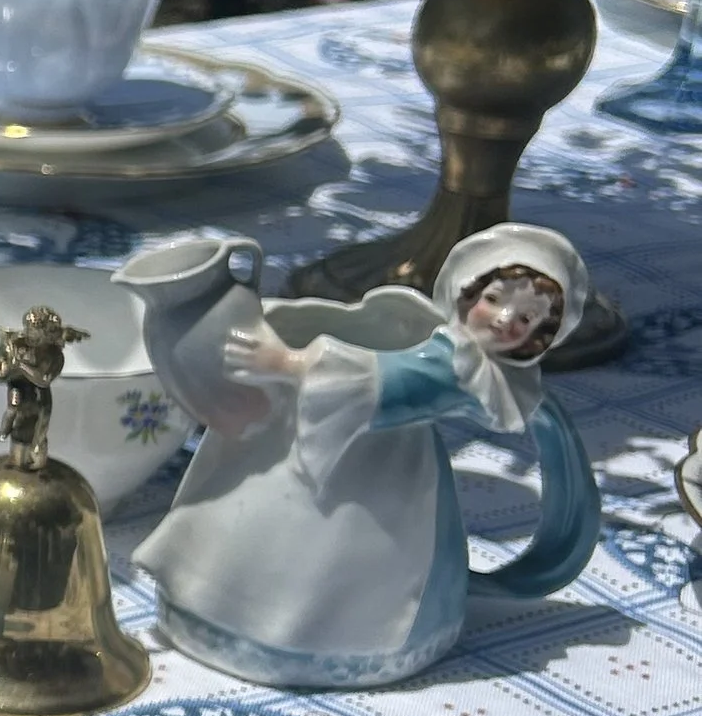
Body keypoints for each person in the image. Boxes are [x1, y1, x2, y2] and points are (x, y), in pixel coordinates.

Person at [132, 224, 598, 688]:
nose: (502, 320)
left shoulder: (461, 369)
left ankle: (295, 639)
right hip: (309, 448)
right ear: (465, 291)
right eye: (495, 299)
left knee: (320, 574)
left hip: (369, 475)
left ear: (540, 336)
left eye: (525, 319)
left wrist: (288, 365)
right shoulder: (451, 353)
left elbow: (390, 381)